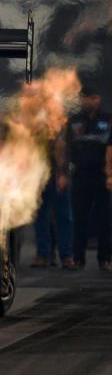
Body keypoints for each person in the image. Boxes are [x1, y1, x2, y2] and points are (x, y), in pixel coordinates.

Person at [67, 84, 111, 271]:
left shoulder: (107, 119)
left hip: (101, 175)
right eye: (88, 97)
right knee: (79, 219)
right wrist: (63, 172)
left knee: (105, 219)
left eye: (95, 97)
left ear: (98, 99)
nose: (92, 101)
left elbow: (110, 148)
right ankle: (78, 258)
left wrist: (110, 174)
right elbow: (65, 147)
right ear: (82, 99)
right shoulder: (74, 120)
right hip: (80, 175)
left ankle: (105, 259)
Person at [31, 133, 76, 270]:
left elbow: (64, 149)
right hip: (40, 176)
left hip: (57, 176)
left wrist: (63, 174)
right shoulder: (35, 124)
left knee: (63, 217)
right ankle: (43, 255)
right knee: (41, 217)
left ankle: (66, 256)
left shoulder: (59, 122)